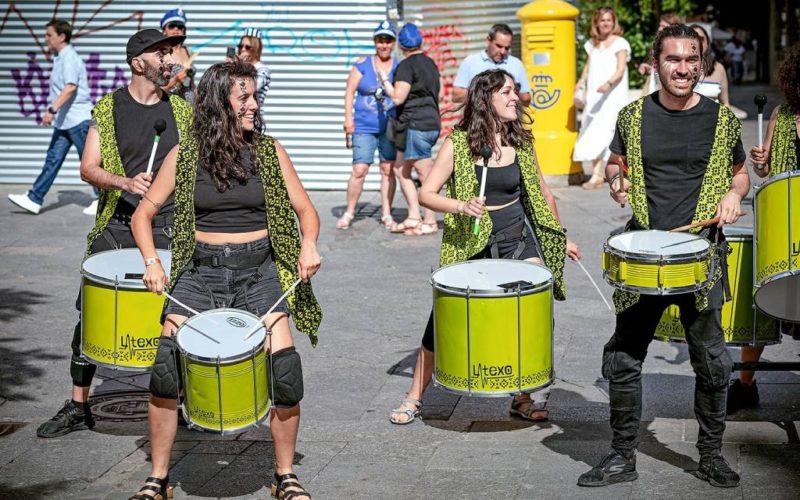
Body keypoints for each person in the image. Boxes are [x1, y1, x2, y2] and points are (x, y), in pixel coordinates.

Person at [129, 60, 321, 500]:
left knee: (287, 374)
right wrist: (151, 262)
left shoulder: (271, 153)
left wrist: (308, 245)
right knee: (163, 372)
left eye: (255, 96)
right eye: (245, 98)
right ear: (220, 104)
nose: (255, 105)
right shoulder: (186, 154)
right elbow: (144, 214)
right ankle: (157, 479)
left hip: (260, 273)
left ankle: (284, 475)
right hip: (199, 272)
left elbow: (307, 211)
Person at [577, 24, 748, 488]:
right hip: (643, 253)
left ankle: (711, 455)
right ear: (655, 64)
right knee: (624, 359)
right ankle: (621, 456)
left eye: (692, 59)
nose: (684, 68)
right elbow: (617, 162)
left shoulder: (722, 119)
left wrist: (734, 195)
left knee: (712, 362)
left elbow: (739, 175)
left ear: (702, 63)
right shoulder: (632, 117)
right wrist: (617, 180)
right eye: (674, 59)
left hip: (702, 256)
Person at [388, 69, 580, 425]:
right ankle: (414, 397)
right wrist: (461, 205)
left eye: (515, 90)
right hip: (473, 240)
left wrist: (560, 234)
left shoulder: (521, 141)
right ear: (486, 98)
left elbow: (543, 193)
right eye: (507, 91)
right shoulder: (459, 143)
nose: (515, 97)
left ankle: (522, 396)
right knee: (441, 320)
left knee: (531, 308)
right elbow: (427, 193)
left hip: (515, 236)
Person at [33, 29, 192, 439]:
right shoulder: (108, 108)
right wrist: (124, 183)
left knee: (178, 316)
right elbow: (88, 167)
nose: (169, 60)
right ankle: (78, 403)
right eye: (161, 54)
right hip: (118, 226)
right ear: (138, 62)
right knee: (91, 314)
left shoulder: (182, 111)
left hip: (169, 227)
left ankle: (186, 404)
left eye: (170, 53)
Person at [737, 42, 800, 412]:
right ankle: (745, 383)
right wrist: (760, 159)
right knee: (763, 296)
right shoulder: (782, 114)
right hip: (785, 221)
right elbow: (765, 172)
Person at [8, 19, 93, 215]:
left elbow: (70, 87)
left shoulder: (70, 58)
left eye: (49, 35)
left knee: (89, 163)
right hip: (65, 121)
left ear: (61, 37)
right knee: (53, 159)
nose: (45, 39)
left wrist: (51, 110)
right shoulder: (60, 58)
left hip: (78, 121)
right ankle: (34, 198)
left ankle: (102, 200)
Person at [380, 23, 440, 236]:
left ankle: (430, 220)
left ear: (402, 45)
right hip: (428, 123)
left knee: (425, 174)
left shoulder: (407, 66)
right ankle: (414, 215)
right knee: (401, 169)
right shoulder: (430, 63)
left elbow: (398, 97)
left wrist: (385, 81)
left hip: (417, 124)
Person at [338, 21, 398, 230]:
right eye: (380, 40)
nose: (384, 45)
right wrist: (348, 119)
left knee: (387, 169)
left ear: (393, 43)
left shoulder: (398, 66)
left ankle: (387, 214)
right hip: (363, 125)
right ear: (375, 42)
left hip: (389, 126)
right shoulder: (362, 64)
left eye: (388, 40)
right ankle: (349, 212)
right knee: (359, 169)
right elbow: (349, 92)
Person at [573, 7, 630, 190]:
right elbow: (588, 67)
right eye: (602, 20)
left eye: (609, 20)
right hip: (595, 95)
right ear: (596, 22)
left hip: (612, 95)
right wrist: (581, 82)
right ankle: (596, 174)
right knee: (593, 130)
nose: (605, 23)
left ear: (614, 22)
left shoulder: (620, 42)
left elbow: (621, 69)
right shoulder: (593, 43)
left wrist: (608, 83)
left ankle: (616, 173)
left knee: (612, 131)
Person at [452, 24, 531, 106]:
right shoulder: (470, 62)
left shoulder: (516, 64)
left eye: (507, 48)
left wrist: (512, 92)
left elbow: (526, 99)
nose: (503, 51)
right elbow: (456, 95)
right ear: (488, 40)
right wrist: (487, 94)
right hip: (479, 118)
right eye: (499, 46)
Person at [639, 13, 684, 96]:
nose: (659, 28)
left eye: (663, 26)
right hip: (654, 85)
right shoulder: (657, 45)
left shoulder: (680, 46)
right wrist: (649, 68)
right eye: (660, 25)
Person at [160, 8, 196, 104]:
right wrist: (175, 80)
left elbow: (191, 84)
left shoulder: (188, 51)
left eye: (180, 26)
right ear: (164, 30)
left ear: (184, 30)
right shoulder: (161, 53)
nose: (176, 29)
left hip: (190, 105)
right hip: (170, 104)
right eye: (172, 26)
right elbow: (153, 89)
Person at [690, 24, 729, 105]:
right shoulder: (678, 68)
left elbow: (725, 104)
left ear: (707, 43)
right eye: (693, 38)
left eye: (701, 39)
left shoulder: (718, 68)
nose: (698, 43)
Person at [237, 28, 272, 109]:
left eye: (247, 47)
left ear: (256, 48)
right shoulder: (238, 67)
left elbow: (249, 88)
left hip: (254, 117)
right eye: (240, 46)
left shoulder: (263, 70)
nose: (243, 50)